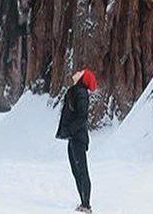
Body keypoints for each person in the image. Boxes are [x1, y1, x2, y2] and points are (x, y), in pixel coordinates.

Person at [56, 68, 97, 212]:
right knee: (76, 170)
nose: (77, 72)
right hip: (73, 138)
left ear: (82, 79)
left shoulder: (81, 93)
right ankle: (83, 202)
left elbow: (82, 117)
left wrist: (69, 131)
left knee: (82, 170)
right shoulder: (76, 91)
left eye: (81, 72)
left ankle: (86, 204)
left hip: (78, 138)